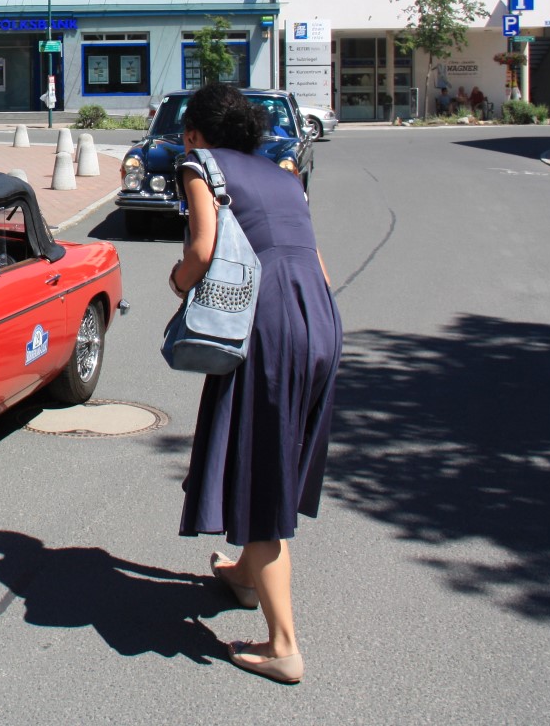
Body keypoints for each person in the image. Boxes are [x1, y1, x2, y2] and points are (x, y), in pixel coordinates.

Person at [170, 82, 341, 686]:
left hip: (266, 326)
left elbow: (203, 248)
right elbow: (315, 260)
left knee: (261, 473)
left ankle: (284, 645)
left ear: (196, 134)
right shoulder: (284, 174)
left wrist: (178, 279)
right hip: (319, 320)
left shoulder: (200, 164)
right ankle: (245, 574)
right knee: (275, 452)